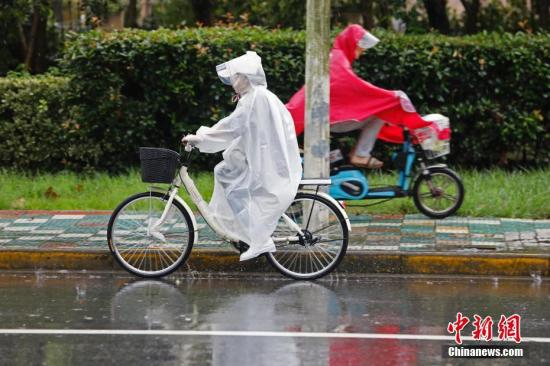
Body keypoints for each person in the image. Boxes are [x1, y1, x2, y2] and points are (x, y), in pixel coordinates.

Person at [183, 51, 302, 261]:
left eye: (236, 77)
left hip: (266, 161)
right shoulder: (255, 96)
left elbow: (233, 126)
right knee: (223, 173)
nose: (232, 81)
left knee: (235, 185)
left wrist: (200, 138)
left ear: (247, 77)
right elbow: (236, 125)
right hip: (261, 155)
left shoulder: (255, 98)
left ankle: (259, 239)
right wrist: (203, 136)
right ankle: (248, 235)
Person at [286, 24, 433, 169]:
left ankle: (359, 153)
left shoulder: (336, 57)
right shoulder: (338, 59)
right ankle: (361, 154)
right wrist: (389, 96)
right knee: (380, 112)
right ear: (351, 42)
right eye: (360, 45)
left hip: (322, 115)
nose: (362, 50)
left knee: (378, 110)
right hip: (328, 117)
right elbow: (353, 85)